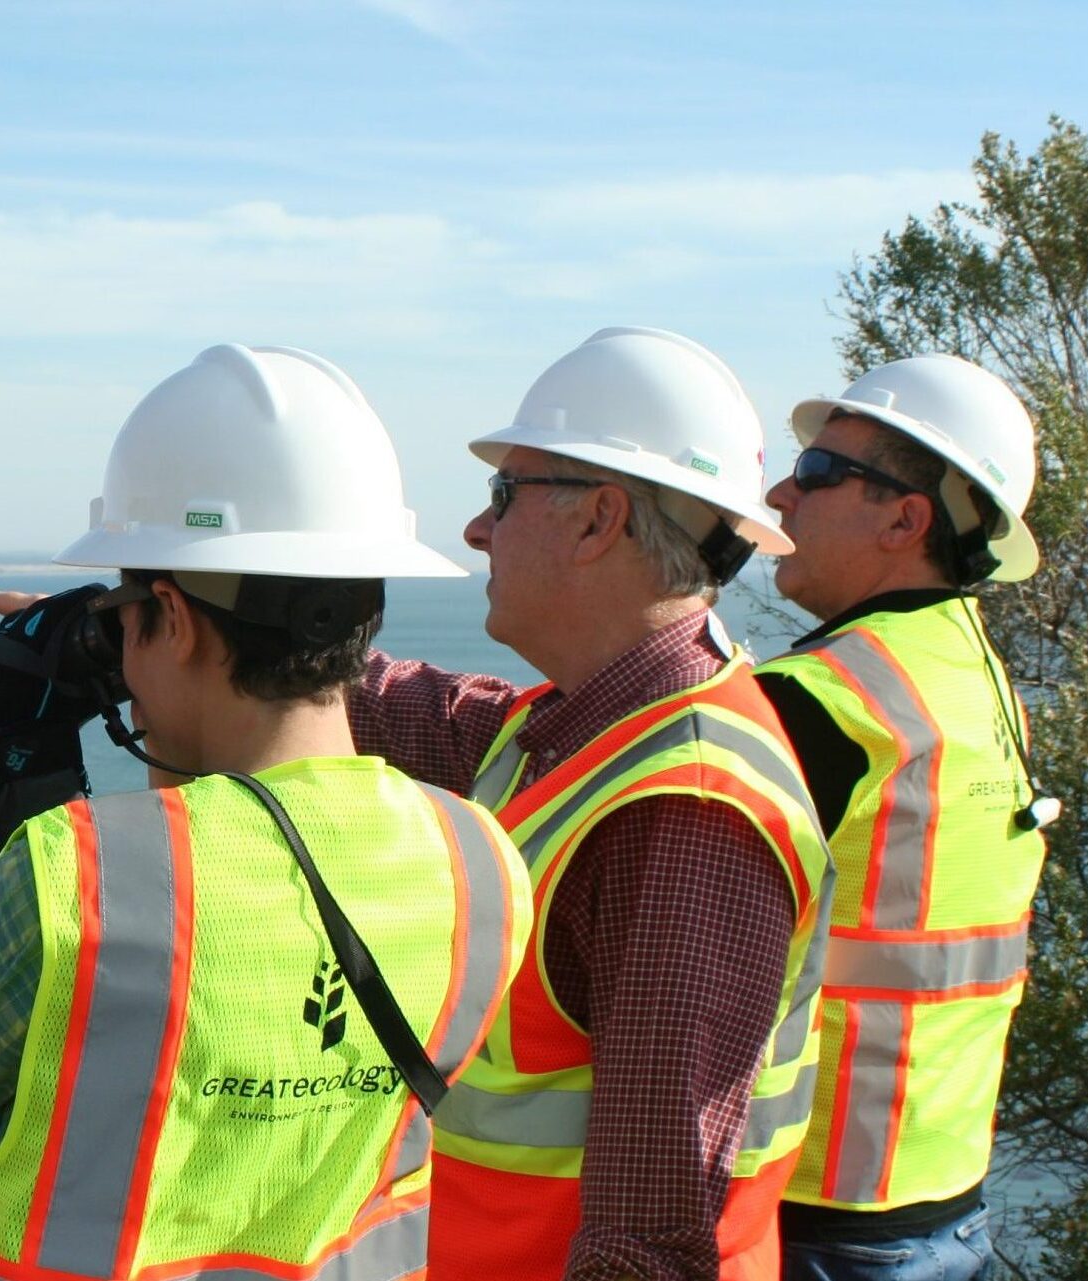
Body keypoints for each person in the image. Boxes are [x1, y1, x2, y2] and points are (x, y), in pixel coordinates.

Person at [0, 343, 532, 1281]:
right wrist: (159, 664)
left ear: (174, 614)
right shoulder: (479, 861)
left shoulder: (82, 878)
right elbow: (230, 848)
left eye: (128, 611)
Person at [346, 327, 835, 1281]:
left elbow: (647, 1248)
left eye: (504, 494)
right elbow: (400, 704)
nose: (478, 530)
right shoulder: (583, 730)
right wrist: (159, 622)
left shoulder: (683, 814)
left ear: (596, 519)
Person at [756, 354, 1052, 1281]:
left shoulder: (822, 698)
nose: (778, 493)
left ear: (904, 518)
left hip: (819, 1217)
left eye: (815, 471)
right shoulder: (977, 677)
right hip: (944, 1206)